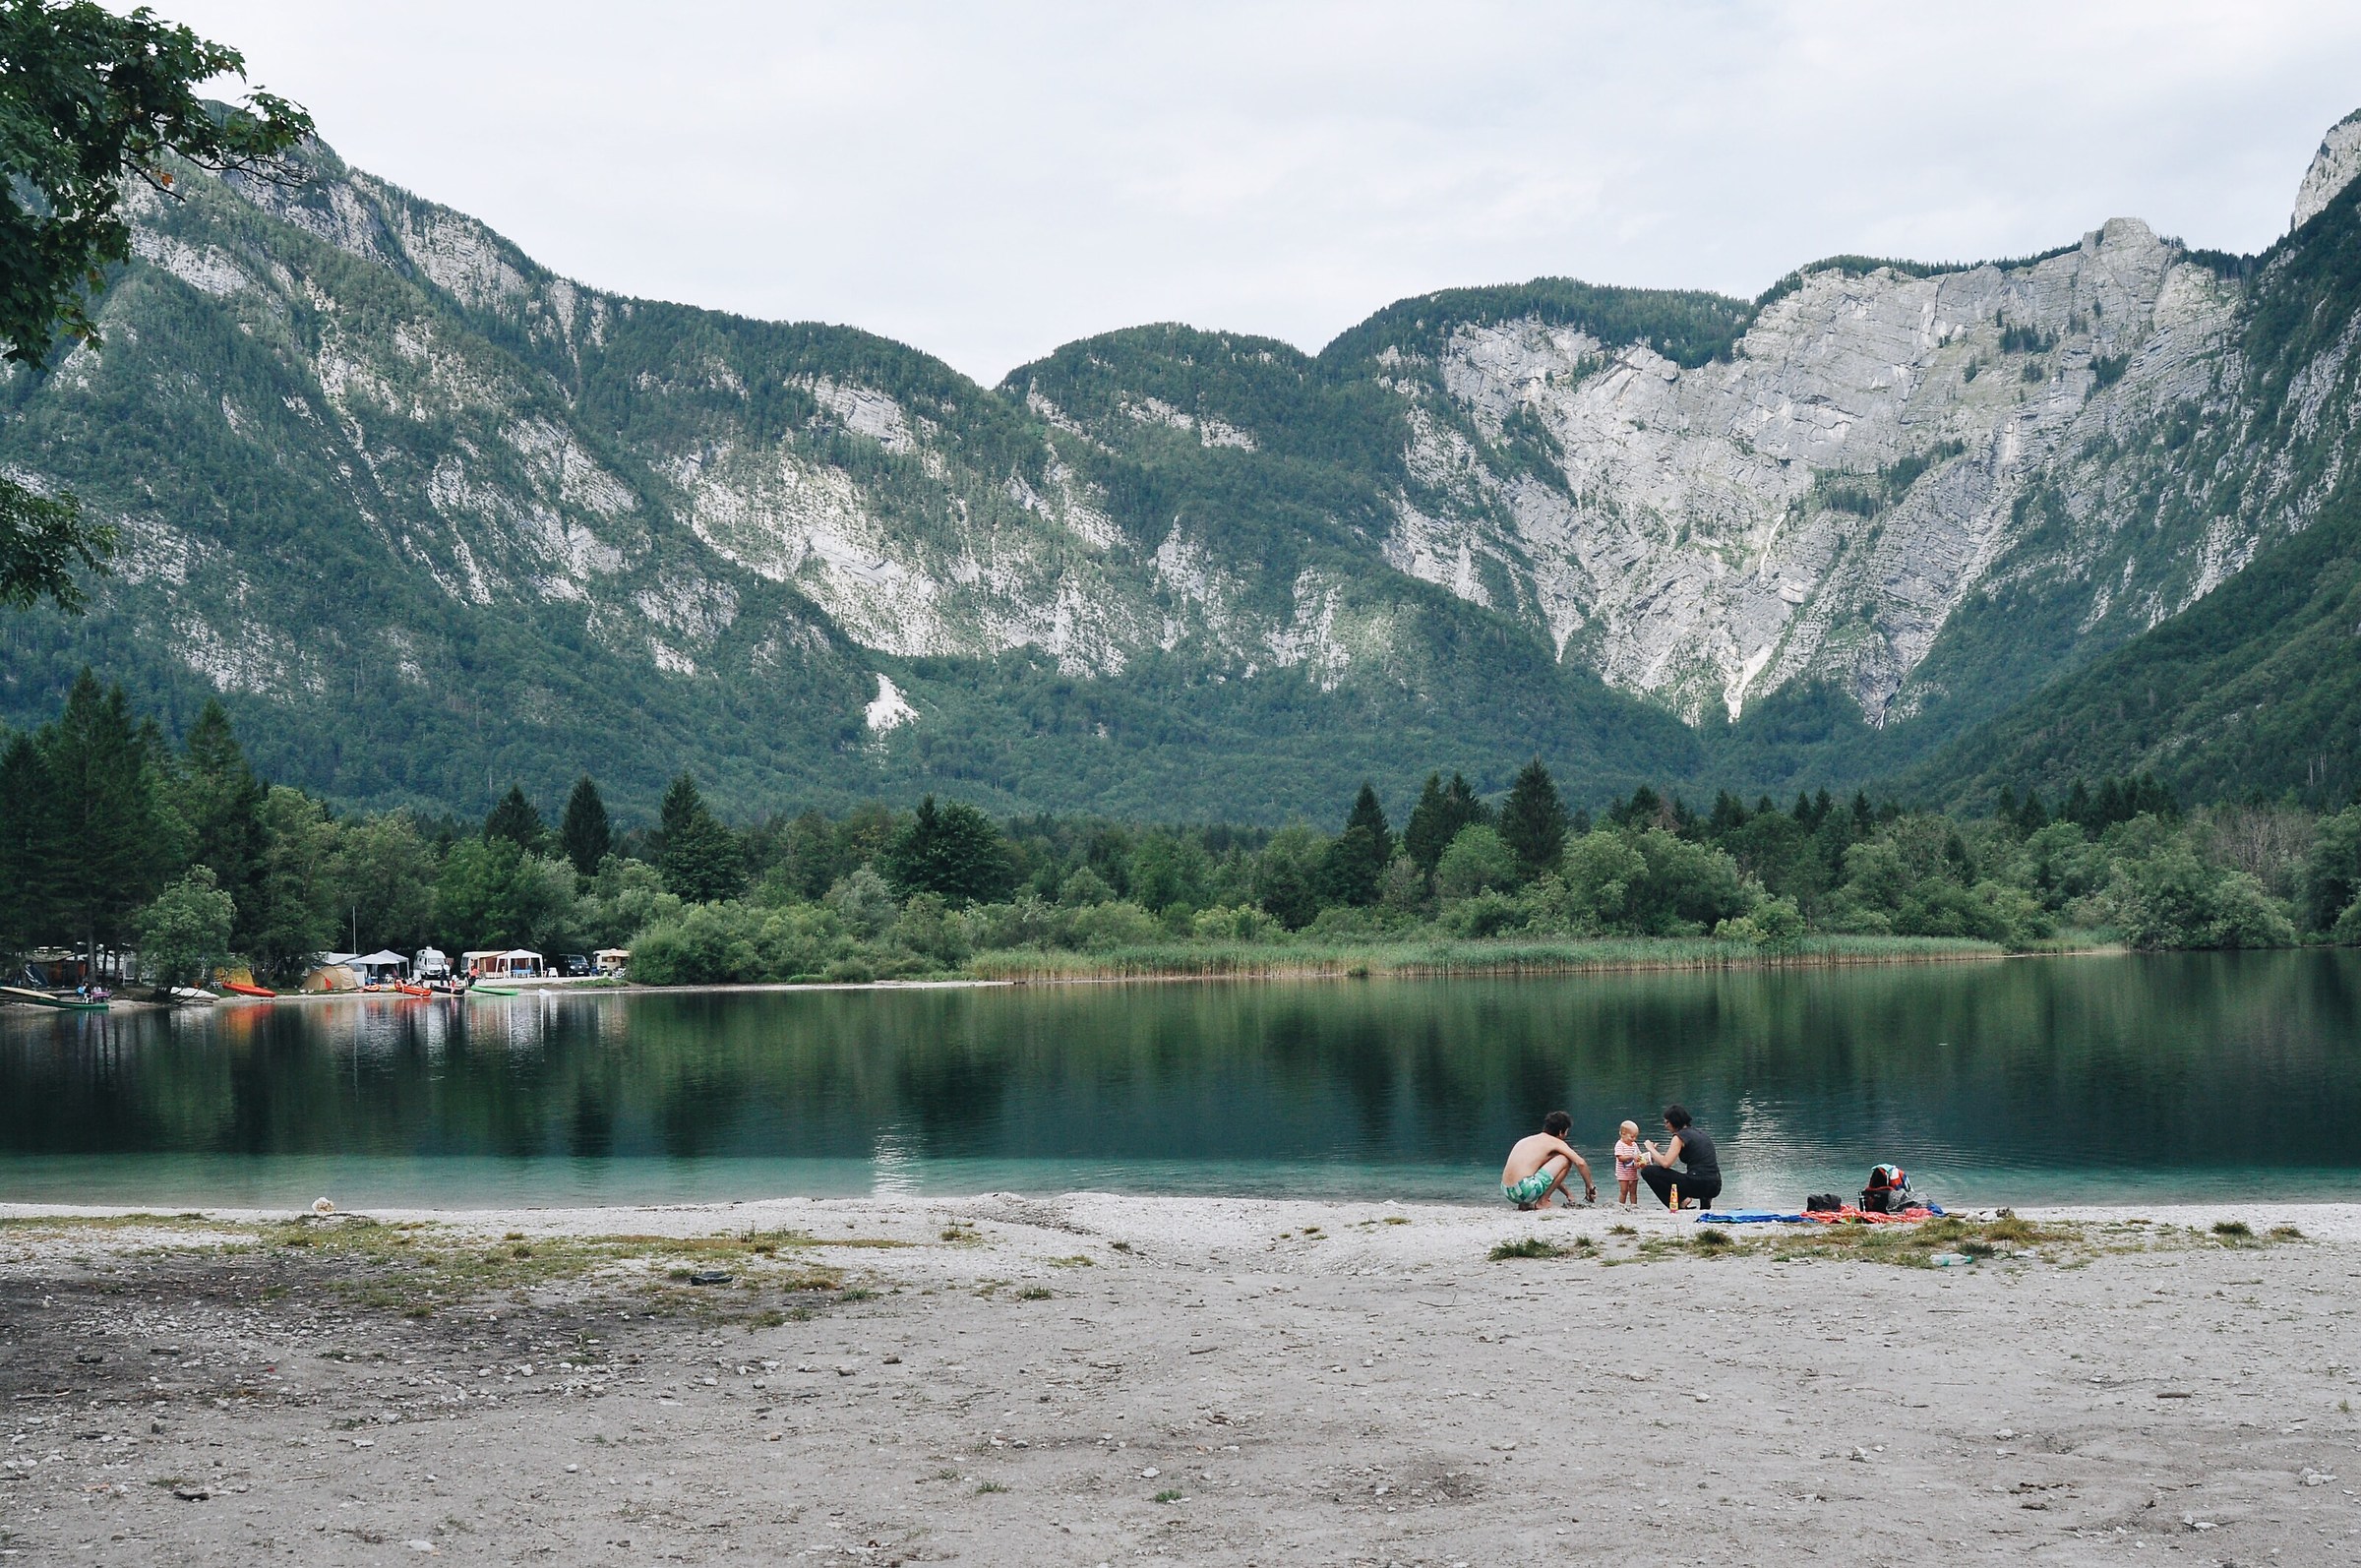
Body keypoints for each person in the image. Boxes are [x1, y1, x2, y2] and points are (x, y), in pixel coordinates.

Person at [1500, 1111, 1596, 1210]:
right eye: (1566, 1131)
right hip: (1524, 1190)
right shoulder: (1555, 1142)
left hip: (1507, 1191)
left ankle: (1524, 1204)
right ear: (1560, 1132)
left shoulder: (1527, 1140)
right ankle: (1543, 1202)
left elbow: (1548, 1176)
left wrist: (1568, 1194)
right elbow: (1580, 1163)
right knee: (1566, 1159)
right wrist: (1589, 1186)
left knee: (1534, 1169)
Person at [1636, 1104, 1722, 1211]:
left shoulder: (1679, 1137)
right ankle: (1705, 1206)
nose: (1665, 1125)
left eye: (1666, 1122)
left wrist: (1650, 1149)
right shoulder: (1701, 1134)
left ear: (1674, 1121)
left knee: (1647, 1171)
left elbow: (1666, 1163)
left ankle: (1681, 1201)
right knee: (1701, 1172)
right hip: (1715, 1186)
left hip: (1699, 1185)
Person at [1613, 1119, 1643, 1207]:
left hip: (1633, 1173)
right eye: (1632, 1137)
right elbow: (1620, 1158)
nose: (1634, 1139)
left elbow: (1639, 1156)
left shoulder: (1634, 1145)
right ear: (1623, 1134)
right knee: (1624, 1191)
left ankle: (1634, 1205)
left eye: (1635, 1137)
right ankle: (1621, 1205)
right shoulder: (1620, 1144)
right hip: (1623, 1173)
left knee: (1633, 1192)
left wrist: (1641, 1161)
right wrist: (1631, 1157)